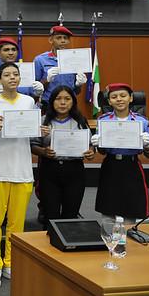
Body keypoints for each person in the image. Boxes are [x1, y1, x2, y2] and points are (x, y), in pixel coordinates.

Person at [0, 62, 41, 289]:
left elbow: (33, 132)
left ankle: (10, 261)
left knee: (17, 223)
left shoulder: (29, 102)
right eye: (7, 74)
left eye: (15, 74)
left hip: (22, 169)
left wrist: (40, 129)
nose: (12, 78)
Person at [31, 86, 95, 224]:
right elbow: (32, 145)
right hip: (49, 170)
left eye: (67, 99)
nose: (63, 102)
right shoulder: (43, 121)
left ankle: (68, 245)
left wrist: (90, 152)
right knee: (50, 215)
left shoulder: (81, 121)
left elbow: (90, 145)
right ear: (52, 101)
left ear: (73, 102)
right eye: (58, 99)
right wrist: (43, 152)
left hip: (74, 171)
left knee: (70, 215)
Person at [92, 83, 149, 222]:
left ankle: (129, 239)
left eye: (123, 95)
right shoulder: (103, 121)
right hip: (111, 165)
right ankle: (108, 241)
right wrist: (98, 145)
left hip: (131, 166)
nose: (119, 99)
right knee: (108, 206)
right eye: (114, 97)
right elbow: (102, 152)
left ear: (131, 98)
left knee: (131, 207)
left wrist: (147, 146)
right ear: (109, 101)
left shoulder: (141, 121)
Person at [33, 25, 87, 111]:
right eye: (59, 38)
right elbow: (35, 89)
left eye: (65, 38)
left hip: (69, 105)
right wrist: (47, 80)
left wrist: (78, 85)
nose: (63, 41)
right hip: (48, 105)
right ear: (51, 40)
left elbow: (76, 92)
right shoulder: (40, 60)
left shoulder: (74, 60)